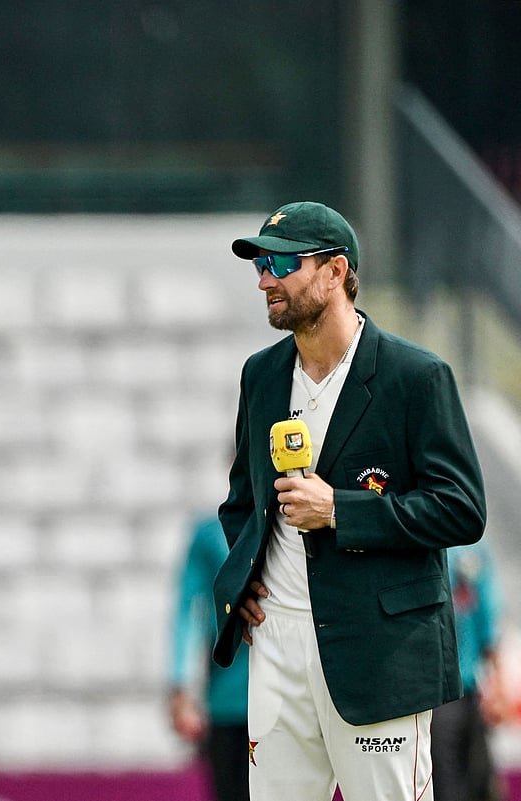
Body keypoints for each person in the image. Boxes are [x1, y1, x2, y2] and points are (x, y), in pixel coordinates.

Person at [210, 202, 487, 801]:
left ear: (336, 272)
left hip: (379, 649)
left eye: (281, 262)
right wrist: (247, 578)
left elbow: (462, 507)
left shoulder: (416, 376)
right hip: (278, 645)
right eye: (259, 263)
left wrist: (340, 509)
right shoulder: (260, 375)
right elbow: (241, 501)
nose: (264, 278)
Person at [169, 513, 250, 801]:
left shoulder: (308, 520)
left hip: (298, 699)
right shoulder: (212, 534)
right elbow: (189, 609)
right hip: (230, 701)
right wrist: (181, 686)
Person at [432, 541, 503, 801]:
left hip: (470, 689)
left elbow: (488, 622)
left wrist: (496, 686)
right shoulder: (410, 538)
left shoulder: (471, 549)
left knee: (480, 782)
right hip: (431, 696)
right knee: (445, 785)